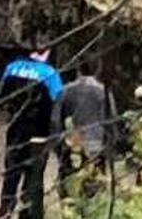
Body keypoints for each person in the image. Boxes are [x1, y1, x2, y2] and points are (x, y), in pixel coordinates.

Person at [0, 48, 63, 219]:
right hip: (39, 130)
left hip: (15, 126)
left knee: (11, 169)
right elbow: (58, 101)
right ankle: (27, 212)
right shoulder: (49, 73)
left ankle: (5, 208)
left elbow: (1, 97)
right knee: (33, 172)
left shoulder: (12, 68)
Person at [51, 60, 117, 197]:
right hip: (96, 147)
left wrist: (59, 147)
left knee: (69, 192)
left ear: (78, 70)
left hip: (71, 146)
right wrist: (110, 146)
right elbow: (112, 120)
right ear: (97, 70)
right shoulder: (103, 91)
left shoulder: (65, 91)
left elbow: (55, 121)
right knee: (95, 193)